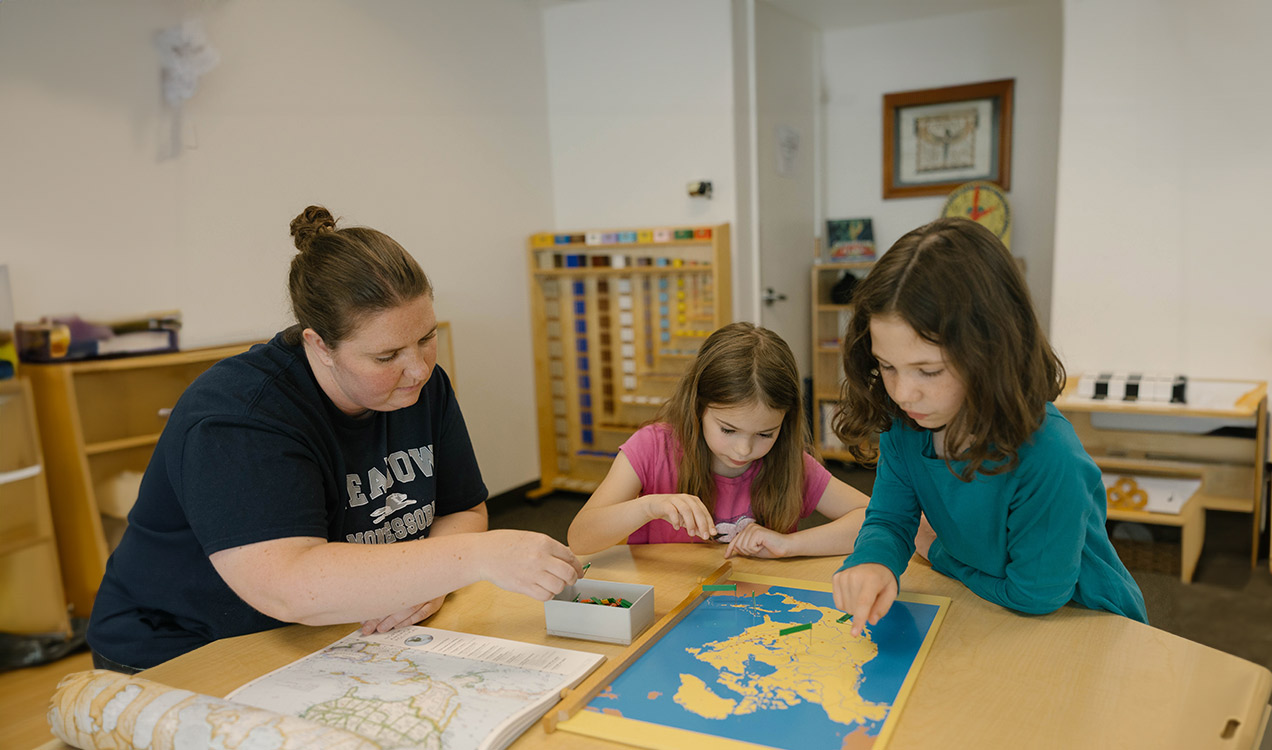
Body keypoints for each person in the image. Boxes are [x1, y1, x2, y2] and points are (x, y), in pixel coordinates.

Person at [86, 206, 580, 673]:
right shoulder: (239, 416)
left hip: (335, 628)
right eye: (386, 357)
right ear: (318, 346)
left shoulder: (422, 387)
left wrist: (433, 582)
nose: (419, 369)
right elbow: (290, 585)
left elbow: (461, 510)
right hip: (186, 644)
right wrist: (474, 559)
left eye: (427, 337)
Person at [829, 217, 1149, 634]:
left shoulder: (1049, 454)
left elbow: (1035, 596)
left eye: (928, 371)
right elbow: (890, 519)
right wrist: (872, 561)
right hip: (996, 607)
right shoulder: (906, 423)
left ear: (991, 352)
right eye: (887, 366)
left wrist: (937, 551)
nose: (904, 393)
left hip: (1087, 620)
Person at [567, 322, 868, 559]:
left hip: (756, 612)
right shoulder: (653, 447)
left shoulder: (790, 462)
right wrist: (648, 507)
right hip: (670, 608)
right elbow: (580, 538)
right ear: (697, 407)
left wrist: (789, 544)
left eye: (765, 434)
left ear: (785, 423)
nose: (744, 449)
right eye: (727, 430)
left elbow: (878, 520)